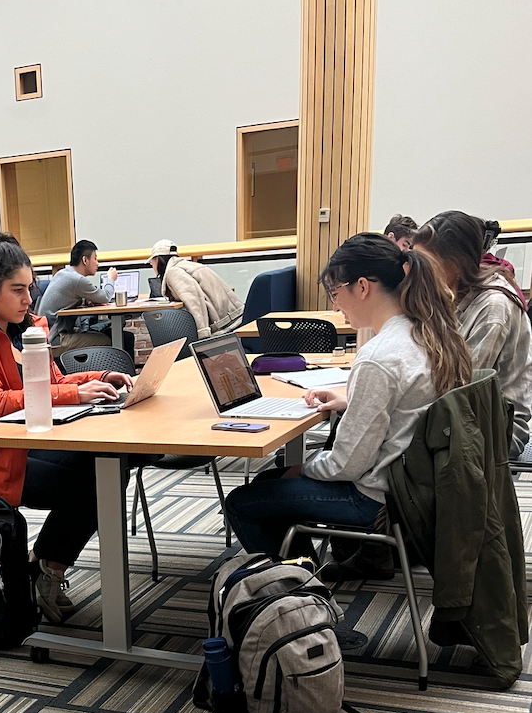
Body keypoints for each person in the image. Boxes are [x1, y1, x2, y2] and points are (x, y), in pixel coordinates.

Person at [224, 233, 471, 561]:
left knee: (243, 502)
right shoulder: (430, 333)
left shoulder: (377, 357)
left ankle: (300, 591)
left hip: (378, 500)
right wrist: (352, 402)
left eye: (335, 293)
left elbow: (347, 465)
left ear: (363, 287)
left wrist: (302, 468)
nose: (335, 306)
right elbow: (406, 408)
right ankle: (304, 571)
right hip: (420, 490)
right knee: (271, 480)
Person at [0, 232, 133, 622]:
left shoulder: (25, 326)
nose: (29, 299)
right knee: (95, 477)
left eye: (30, 288)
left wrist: (98, 378)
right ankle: (46, 569)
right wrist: (72, 397)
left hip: (28, 439)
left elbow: (52, 383)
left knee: (114, 460)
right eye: (19, 290)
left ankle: (42, 566)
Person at [412, 210, 532, 458]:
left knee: (394, 450)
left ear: (454, 263)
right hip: (462, 415)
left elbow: (461, 386)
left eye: (426, 262)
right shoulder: (455, 292)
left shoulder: (493, 306)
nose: (418, 271)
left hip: (498, 429)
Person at [36, 240, 134, 358]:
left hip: (48, 335)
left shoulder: (63, 273)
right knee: (105, 341)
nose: (97, 263)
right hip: (55, 339)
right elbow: (105, 297)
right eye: (95, 259)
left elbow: (68, 298)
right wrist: (111, 279)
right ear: (85, 260)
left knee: (107, 336)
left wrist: (85, 300)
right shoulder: (76, 279)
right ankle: (107, 376)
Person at [149, 239, 243, 338]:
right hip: (233, 317)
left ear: (157, 259)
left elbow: (194, 301)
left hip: (225, 326)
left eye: (151, 262)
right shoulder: (189, 265)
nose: (152, 265)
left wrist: (202, 334)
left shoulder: (173, 272)